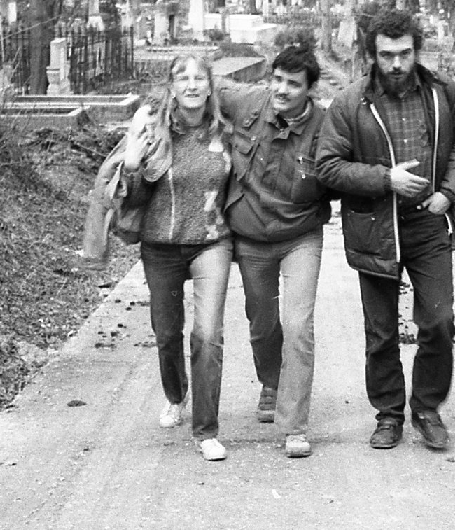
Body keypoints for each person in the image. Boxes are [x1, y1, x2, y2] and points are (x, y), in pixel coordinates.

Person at [315, 9, 455, 451]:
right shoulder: (352, 103)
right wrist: (384, 178)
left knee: (439, 320)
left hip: (427, 222)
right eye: (387, 55)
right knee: (381, 329)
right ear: (373, 55)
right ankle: (388, 414)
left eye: (404, 54)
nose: (397, 65)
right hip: (375, 226)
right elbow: (328, 165)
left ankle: (426, 407)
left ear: (416, 51)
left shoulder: (443, 95)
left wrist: (449, 191)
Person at [220, 45, 332, 458]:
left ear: (310, 89)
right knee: (262, 324)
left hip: (300, 234)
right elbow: (196, 85)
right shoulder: (249, 102)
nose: (282, 90)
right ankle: (271, 381)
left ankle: (294, 425)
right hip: (251, 236)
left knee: (298, 324)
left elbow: (347, 168)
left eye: (293, 84)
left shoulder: (327, 125)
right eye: (278, 79)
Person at [123, 54, 233, 462]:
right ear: (171, 86)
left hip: (211, 242)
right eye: (182, 78)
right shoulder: (153, 131)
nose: (191, 85)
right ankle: (176, 394)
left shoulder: (226, 133)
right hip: (161, 246)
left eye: (198, 78)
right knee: (167, 333)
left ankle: (206, 429)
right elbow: (133, 198)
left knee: (207, 334)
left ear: (210, 86)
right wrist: (133, 165)